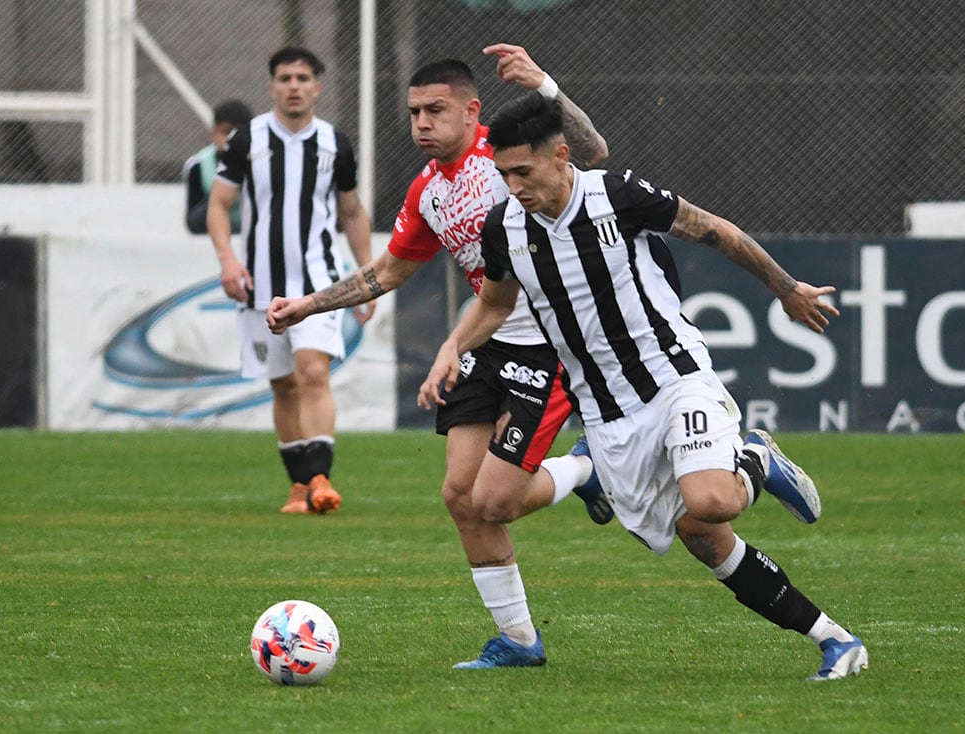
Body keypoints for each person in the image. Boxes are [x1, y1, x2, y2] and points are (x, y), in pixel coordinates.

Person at [417, 92, 869, 681]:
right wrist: (454, 346)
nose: (514, 186)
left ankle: (757, 456)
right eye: (503, 175)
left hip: (673, 377)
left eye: (523, 172)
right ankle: (836, 640)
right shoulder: (505, 225)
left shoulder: (614, 195)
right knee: (701, 536)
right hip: (608, 414)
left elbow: (714, 231)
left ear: (560, 156)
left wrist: (784, 288)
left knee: (708, 498)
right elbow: (496, 303)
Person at [267, 46, 611, 668]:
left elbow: (592, 155)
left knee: (496, 500)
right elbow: (390, 269)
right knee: (460, 495)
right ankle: (520, 642)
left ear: (472, 111)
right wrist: (310, 306)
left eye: (436, 109)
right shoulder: (429, 190)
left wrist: (545, 84)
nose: (422, 122)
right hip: (486, 340)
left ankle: (587, 472)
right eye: (414, 112)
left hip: (553, 345)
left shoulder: (506, 155)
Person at [207, 47, 373, 515]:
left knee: (314, 371)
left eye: (303, 77)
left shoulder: (335, 143)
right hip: (258, 285)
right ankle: (299, 486)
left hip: (317, 284)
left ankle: (320, 475)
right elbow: (220, 205)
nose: (294, 86)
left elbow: (352, 211)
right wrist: (227, 260)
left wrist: (367, 276)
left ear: (317, 86)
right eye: (285, 78)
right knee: (282, 385)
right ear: (272, 86)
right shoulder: (246, 140)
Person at [183, 99, 253, 234]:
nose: (232, 140)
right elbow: (192, 223)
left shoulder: (263, 161)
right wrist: (219, 200)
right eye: (226, 132)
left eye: (238, 133)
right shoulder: (198, 166)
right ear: (213, 133)